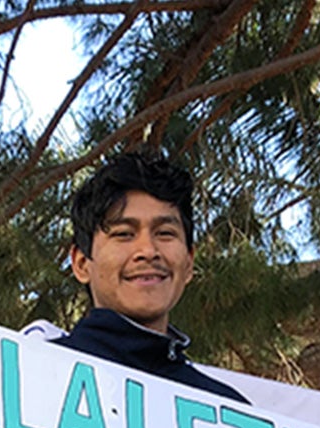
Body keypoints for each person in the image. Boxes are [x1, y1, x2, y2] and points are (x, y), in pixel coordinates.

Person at [30, 150, 247, 403]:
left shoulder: (230, 413)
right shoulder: (29, 378)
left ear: (189, 263)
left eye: (165, 233)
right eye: (124, 234)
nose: (148, 251)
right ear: (81, 263)